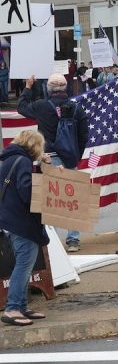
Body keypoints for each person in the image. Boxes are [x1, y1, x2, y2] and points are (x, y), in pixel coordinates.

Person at [17, 73, 88, 251]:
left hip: (48, 157)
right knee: (72, 199)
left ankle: (53, 243)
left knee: (50, 200)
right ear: (66, 88)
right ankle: (73, 240)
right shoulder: (76, 108)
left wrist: (28, 87)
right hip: (69, 158)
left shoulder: (41, 106)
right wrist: (76, 156)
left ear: (48, 89)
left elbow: (21, 107)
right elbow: (83, 136)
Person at [0, 130, 50, 326]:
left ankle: (21, 306)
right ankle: (12, 308)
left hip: (10, 220)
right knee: (24, 265)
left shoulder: (10, 160)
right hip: (22, 222)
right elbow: (27, 190)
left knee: (24, 264)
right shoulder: (23, 161)